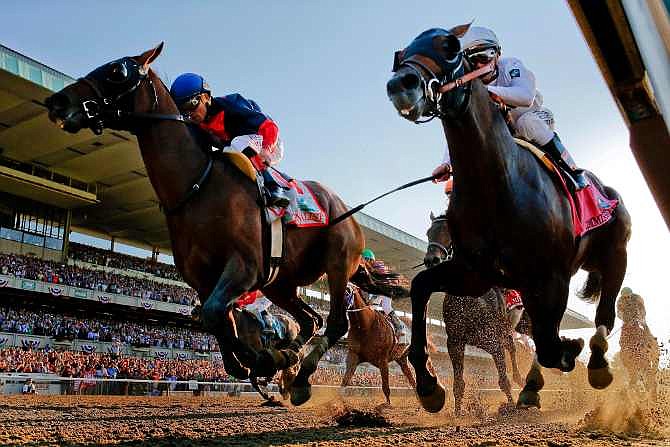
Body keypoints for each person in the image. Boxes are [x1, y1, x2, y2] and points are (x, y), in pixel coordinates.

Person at [432, 26, 587, 190]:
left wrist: (483, 92)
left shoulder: (510, 65)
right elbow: (463, 130)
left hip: (536, 118)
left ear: (497, 55)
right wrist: (447, 164)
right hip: (504, 133)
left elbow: (526, 96)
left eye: (485, 56)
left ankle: (573, 171)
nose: (478, 64)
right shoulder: (470, 90)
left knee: (527, 123)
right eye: (472, 59)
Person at [169, 73, 290, 207]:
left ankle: (273, 187)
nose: (188, 114)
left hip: (269, 140)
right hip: (238, 146)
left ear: (206, 97)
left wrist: (266, 148)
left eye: (191, 104)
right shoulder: (198, 124)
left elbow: (269, 127)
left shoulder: (231, 104)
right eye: (182, 110)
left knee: (237, 144)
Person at [361, 249, 407, 339]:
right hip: (378, 289)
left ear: (370, 260)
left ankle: (399, 327)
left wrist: (373, 298)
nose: (363, 262)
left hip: (386, 289)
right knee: (371, 308)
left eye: (364, 260)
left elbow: (380, 286)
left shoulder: (378, 267)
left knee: (386, 306)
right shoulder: (367, 269)